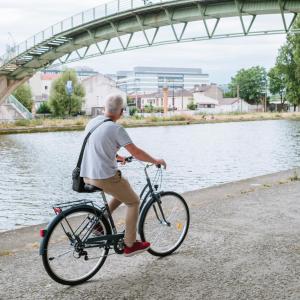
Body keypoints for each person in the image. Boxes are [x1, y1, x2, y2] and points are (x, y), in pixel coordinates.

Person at [80, 94, 167, 257]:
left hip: (87, 174)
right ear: (121, 111)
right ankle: (130, 244)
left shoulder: (93, 123)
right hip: (104, 177)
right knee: (134, 201)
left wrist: (117, 157)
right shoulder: (116, 129)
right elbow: (136, 152)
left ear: (104, 109)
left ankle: (99, 224)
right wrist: (155, 160)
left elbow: (97, 147)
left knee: (123, 190)